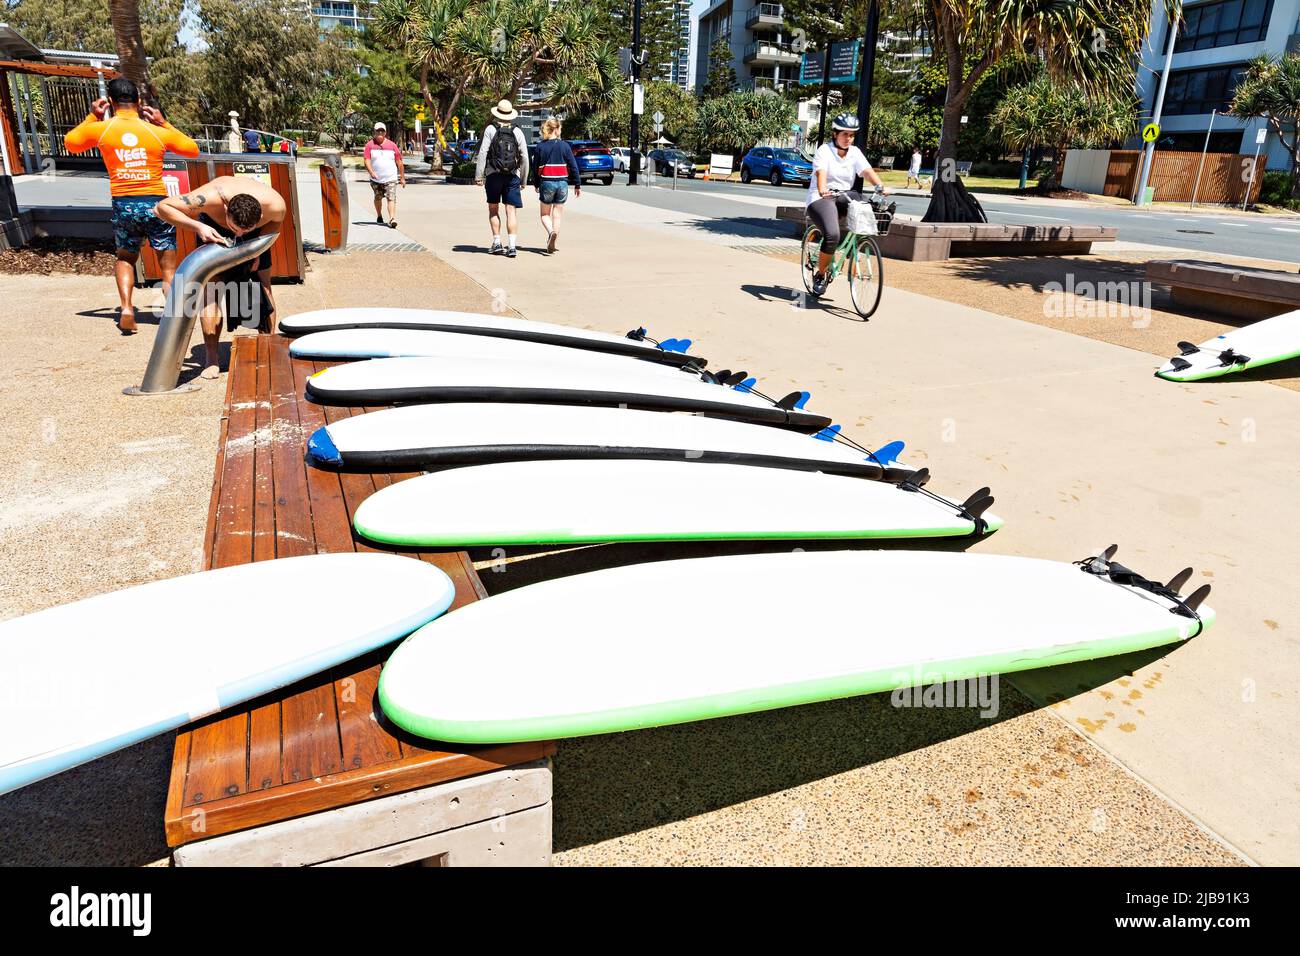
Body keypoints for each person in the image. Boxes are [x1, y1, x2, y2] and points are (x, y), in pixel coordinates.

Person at [63, 77, 200, 335]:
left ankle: (126, 308)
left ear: (111, 103)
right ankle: (172, 318)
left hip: (124, 203)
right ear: (138, 102)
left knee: (125, 257)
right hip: (158, 205)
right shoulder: (155, 132)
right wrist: (163, 122)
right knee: (168, 265)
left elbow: (71, 143)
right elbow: (192, 150)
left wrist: (93, 117)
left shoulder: (103, 129)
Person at [155, 175, 286, 379]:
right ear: (226, 210)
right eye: (236, 229)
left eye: (245, 230)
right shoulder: (210, 197)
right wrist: (199, 227)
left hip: (257, 237)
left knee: (263, 285)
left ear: (260, 215)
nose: (240, 234)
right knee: (211, 292)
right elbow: (162, 207)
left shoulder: (275, 204)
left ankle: (267, 346)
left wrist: (257, 252)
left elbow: (274, 226)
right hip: (214, 228)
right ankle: (211, 358)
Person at [805, 113, 888, 297]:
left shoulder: (855, 152)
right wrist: (822, 189)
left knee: (867, 208)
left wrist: (879, 186)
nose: (848, 139)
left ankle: (856, 250)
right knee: (832, 235)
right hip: (821, 198)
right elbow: (821, 173)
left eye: (852, 135)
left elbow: (866, 170)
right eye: (845, 134)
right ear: (835, 134)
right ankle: (820, 275)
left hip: (844, 195)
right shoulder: (824, 151)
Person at [474, 100, 529, 258]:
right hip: (512, 175)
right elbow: (524, 156)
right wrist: (523, 179)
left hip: (493, 175)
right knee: (511, 211)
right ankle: (512, 247)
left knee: (493, 209)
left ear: (497, 112)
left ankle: (497, 243)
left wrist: (479, 176)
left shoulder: (491, 129)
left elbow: (483, 152)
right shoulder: (517, 131)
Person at [531, 117, 580, 254]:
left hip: (547, 182)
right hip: (563, 183)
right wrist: (577, 184)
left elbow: (535, 168)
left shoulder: (541, 146)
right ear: (557, 129)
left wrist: (536, 183)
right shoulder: (565, 146)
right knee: (557, 215)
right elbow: (573, 166)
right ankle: (554, 238)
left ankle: (551, 232)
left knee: (544, 214)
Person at [364, 122, 405, 228]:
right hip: (376, 179)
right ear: (374, 132)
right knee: (378, 198)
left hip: (390, 178)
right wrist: (371, 172)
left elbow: (399, 162)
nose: (380, 133)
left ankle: (392, 219)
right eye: (378, 131)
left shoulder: (392, 145)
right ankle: (379, 215)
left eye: (382, 131)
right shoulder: (369, 145)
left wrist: (402, 177)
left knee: (391, 198)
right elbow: (366, 161)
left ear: (385, 132)